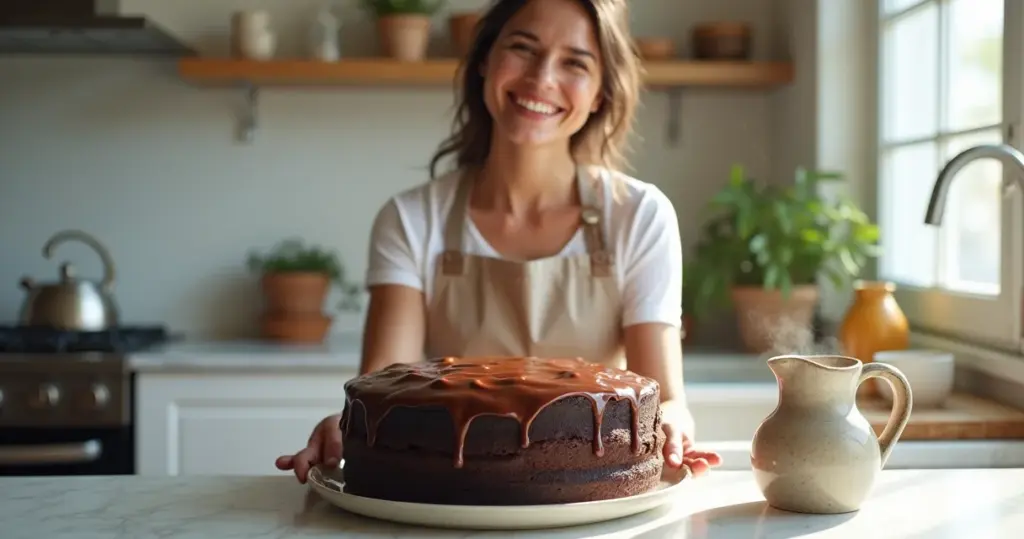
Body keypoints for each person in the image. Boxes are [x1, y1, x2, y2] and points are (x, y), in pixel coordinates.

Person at [276, 0, 723, 484]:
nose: (541, 78)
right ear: (484, 61)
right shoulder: (412, 219)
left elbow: (665, 397)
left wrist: (674, 426)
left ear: (600, 93)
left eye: (575, 62)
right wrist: (348, 430)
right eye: (522, 48)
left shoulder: (638, 215)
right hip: (449, 494)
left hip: (596, 499)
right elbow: (382, 393)